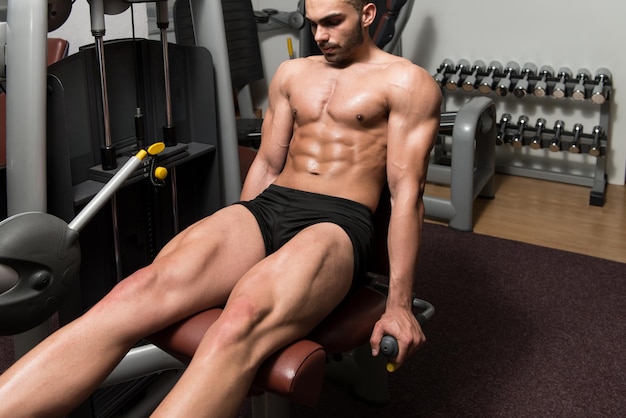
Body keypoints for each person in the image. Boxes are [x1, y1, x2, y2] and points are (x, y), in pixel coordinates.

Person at [0, 0, 441, 416]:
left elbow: (407, 195)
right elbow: (268, 162)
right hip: (270, 206)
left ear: (366, 14)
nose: (320, 35)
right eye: (313, 24)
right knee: (134, 292)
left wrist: (399, 304)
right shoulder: (292, 74)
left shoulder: (406, 82)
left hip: (337, 222)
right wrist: (244, 238)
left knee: (238, 323)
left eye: (332, 22)